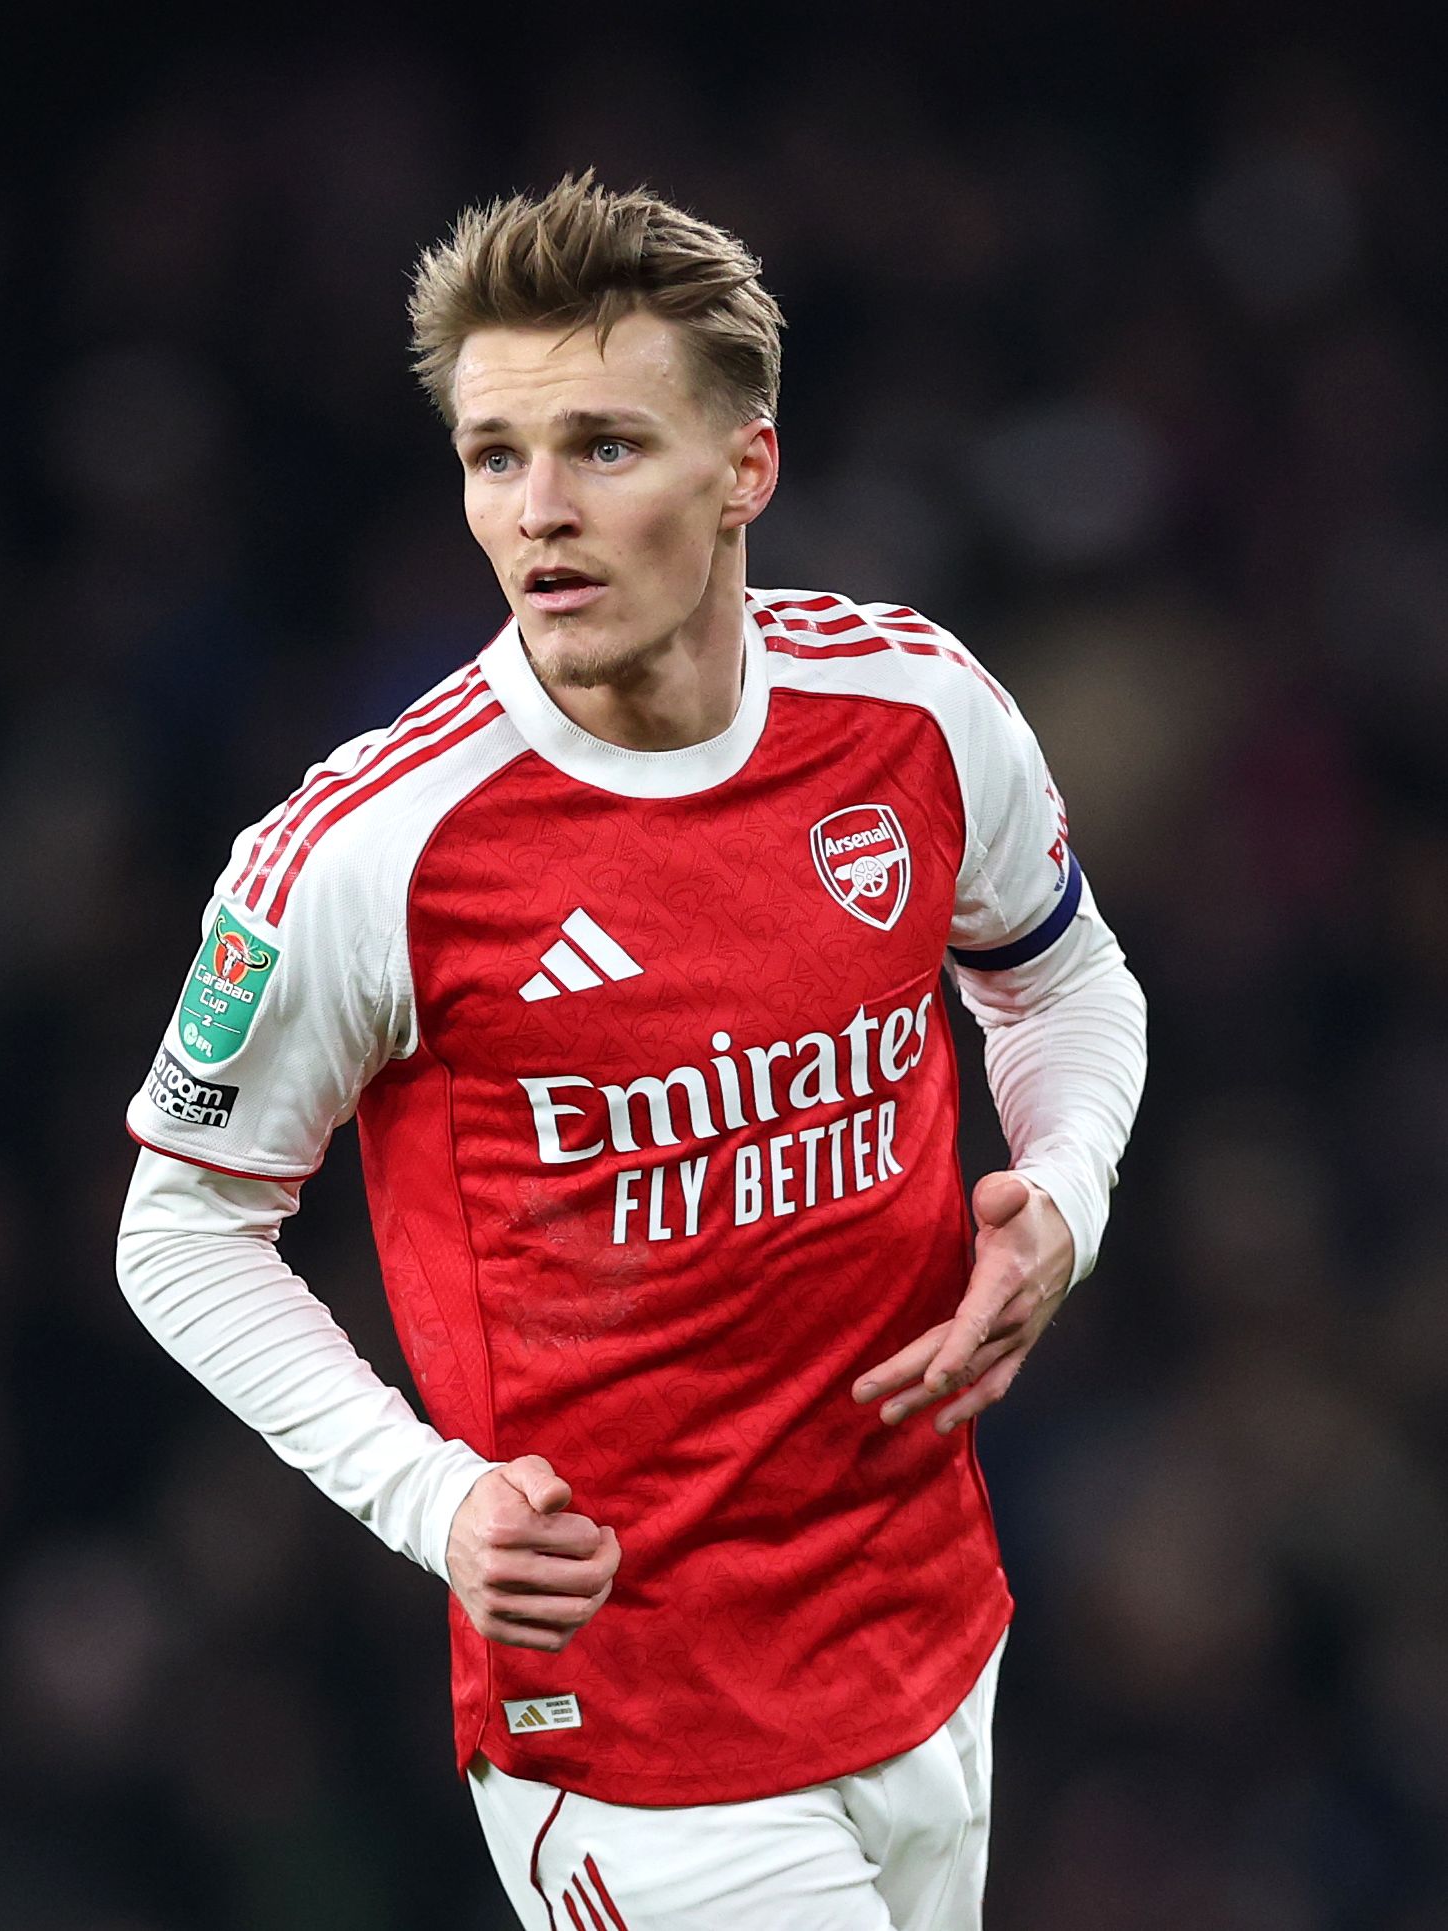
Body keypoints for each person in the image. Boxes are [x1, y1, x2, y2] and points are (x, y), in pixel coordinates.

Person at [116, 173, 1146, 1930]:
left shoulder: (913, 710)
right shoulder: (372, 850)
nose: (539, 512)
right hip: (630, 1729)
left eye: (603, 446)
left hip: (926, 1639)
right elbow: (182, 1229)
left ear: (746, 468)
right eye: (494, 456)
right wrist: (433, 1502)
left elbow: (1063, 986)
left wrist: (1062, 1195)